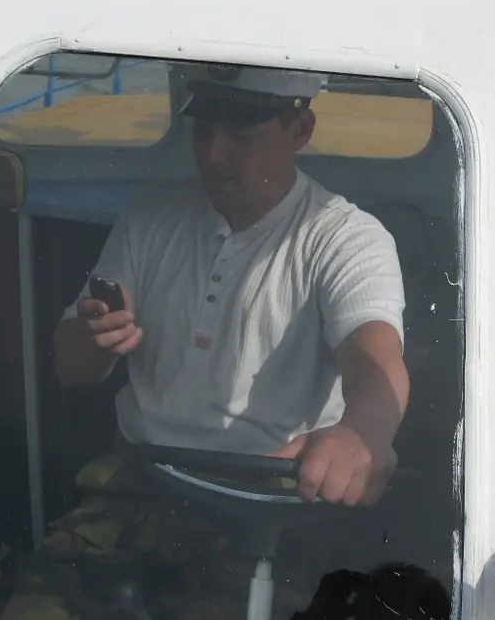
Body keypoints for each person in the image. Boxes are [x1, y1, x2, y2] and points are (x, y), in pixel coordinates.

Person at [53, 61, 409, 507]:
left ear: (300, 130)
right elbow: (70, 368)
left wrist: (365, 432)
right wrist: (93, 342)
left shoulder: (347, 239)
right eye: (204, 128)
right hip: (141, 475)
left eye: (242, 134)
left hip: (274, 490)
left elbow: (374, 356)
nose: (213, 154)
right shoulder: (150, 216)